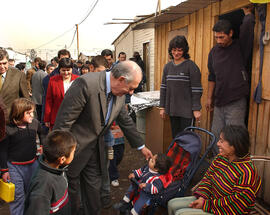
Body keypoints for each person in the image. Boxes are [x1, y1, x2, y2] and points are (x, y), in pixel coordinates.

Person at [53, 60, 153, 214]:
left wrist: (141, 146)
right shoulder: (85, 84)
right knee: (72, 192)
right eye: (131, 88)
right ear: (121, 80)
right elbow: (63, 122)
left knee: (93, 188)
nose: (131, 92)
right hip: (73, 151)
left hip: (94, 150)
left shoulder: (119, 92)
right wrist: (58, 155)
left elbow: (125, 120)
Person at [168, 125, 261, 215]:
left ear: (234, 146)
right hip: (210, 201)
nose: (218, 144)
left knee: (181, 213)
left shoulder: (247, 172)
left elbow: (236, 205)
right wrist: (202, 197)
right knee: (172, 204)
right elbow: (208, 179)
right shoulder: (221, 158)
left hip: (227, 211)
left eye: (221, 141)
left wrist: (206, 205)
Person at [206, 6, 255, 154]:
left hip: (236, 102)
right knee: (215, 137)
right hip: (219, 102)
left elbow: (247, 30)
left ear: (231, 33)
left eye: (222, 37)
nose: (219, 40)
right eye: (216, 37)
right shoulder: (213, 52)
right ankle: (219, 166)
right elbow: (212, 76)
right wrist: (209, 98)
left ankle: (235, 169)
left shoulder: (240, 47)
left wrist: (248, 14)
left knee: (234, 140)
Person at [0, 98, 45, 215]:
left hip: (32, 166)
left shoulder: (35, 123)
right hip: (14, 168)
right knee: (18, 197)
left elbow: (42, 133)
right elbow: (3, 151)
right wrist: (4, 170)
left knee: (32, 194)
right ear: (19, 113)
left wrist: (43, 145)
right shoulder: (8, 129)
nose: (32, 115)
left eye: (33, 112)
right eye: (28, 113)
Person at [24, 130, 77, 215]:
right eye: (73, 152)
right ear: (62, 159)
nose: (75, 153)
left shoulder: (59, 168)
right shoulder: (43, 185)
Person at [159, 35, 202, 138]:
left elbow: (197, 89)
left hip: (187, 112)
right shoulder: (167, 67)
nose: (176, 53)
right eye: (174, 50)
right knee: (176, 137)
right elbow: (163, 88)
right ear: (170, 50)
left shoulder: (191, 66)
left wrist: (196, 109)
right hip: (173, 110)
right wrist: (162, 107)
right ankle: (177, 154)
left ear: (184, 51)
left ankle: (188, 155)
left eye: (179, 50)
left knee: (187, 138)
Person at [44, 58, 79, 130]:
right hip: (57, 117)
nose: (66, 73)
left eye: (68, 70)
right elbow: (49, 100)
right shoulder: (53, 80)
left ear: (72, 69)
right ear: (59, 69)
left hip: (74, 118)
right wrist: (47, 118)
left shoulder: (78, 80)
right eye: (63, 70)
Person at [0, 48, 29, 114]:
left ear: (8, 61)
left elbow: (26, 100)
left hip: (10, 119)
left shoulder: (18, 75)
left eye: (4, 63)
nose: (2, 66)